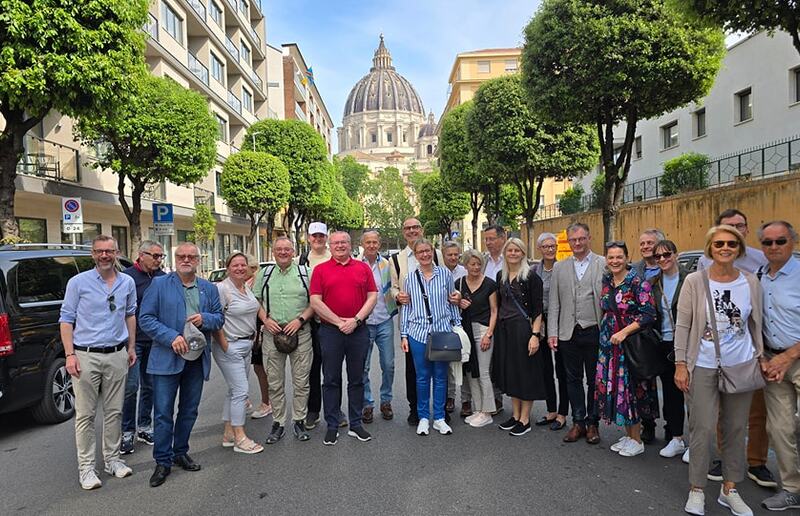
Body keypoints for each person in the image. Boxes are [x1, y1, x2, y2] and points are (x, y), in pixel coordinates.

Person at [674, 225, 764, 516]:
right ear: (710, 248)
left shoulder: (750, 282)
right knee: (701, 427)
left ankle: (730, 489)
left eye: (731, 244)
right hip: (702, 364)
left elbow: (755, 324)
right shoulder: (695, 281)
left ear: (739, 248)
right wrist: (680, 364)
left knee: (736, 429)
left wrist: (760, 356)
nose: (725, 248)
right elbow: (684, 324)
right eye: (719, 243)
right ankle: (697, 489)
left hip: (740, 365)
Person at [698, 209, 774, 489]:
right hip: (717, 351)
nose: (733, 233)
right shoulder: (705, 262)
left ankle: (757, 462)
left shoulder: (761, 258)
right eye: (727, 228)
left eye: (739, 226)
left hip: (754, 347)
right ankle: (725, 458)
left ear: (746, 228)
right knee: (722, 412)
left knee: (756, 412)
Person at [139, 242, 224, 488]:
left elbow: (219, 318)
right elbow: (146, 318)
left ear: (198, 260)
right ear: (175, 259)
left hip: (196, 360)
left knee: (189, 410)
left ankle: (180, 452)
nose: (186, 259)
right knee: (164, 413)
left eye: (191, 256)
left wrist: (205, 318)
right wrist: (171, 337)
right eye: (181, 256)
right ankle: (162, 461)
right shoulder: (159, 284)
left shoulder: (208, 288)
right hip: (167, 357)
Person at [59, 235, 137, 490]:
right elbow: (66, 320)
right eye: (99, 251)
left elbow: (130, 315)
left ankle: (112, 460)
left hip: (117, 354)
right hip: (85, 355)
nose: (105, 256)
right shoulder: (77, 282)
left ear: (116, 252)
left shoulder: (127, 282)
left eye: (109, 251)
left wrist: (131, 347)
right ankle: (86, 469)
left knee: (115, 411)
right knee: (85, 415)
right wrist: (70, 355)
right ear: (92, 254)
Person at [309, 231, 378, 445]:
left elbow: (372, 296)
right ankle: (332, 424)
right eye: (336, 243)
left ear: (351, 245)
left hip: (358, 330)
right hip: (331, 331)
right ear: (330, 245)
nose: (340, 246)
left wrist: (356, 320)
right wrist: (340, 322)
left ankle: (356, 424)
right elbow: (315, 301)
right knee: (331, 379)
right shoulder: (320, 270)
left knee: (357, 378)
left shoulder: (362, 268)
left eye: (344, 242)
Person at [595, 241, 657, 457]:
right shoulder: (607, 281)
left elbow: (649, 314)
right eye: (610, 257)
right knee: (617, 388)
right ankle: (629, 434)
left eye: (619, 257)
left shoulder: (638, 283)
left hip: (629, 345)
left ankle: (637, 438)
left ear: (627, 258)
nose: (614, 261)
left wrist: (624, 332)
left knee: (630, 390)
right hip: (609, 345)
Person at [389, 217, 451, 425]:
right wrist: (398, 295)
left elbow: (446, 282)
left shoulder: (438, 255)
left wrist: (456, 297)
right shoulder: (397, 259)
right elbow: (394, 286)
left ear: (421, 229)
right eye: (408, 228)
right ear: (403, 231)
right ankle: (416, 409)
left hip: (439, 324)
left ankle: (441, 410)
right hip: (413, 322)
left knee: (441, 368)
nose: (412, 231)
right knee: (415, 369)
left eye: (416, 227)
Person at [254, 237, 315, 444]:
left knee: (301, 381)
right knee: (274, 382)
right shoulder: (264, 273)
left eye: (287, 249)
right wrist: (265, 320)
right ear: (273, 252)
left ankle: (299, 420)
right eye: (279, 249)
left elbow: (316, 302)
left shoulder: (305, 273)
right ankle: (278, 423)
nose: (283, 252)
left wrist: (300, 320)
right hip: (273, 334)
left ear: (294, 251)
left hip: (301, 332)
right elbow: (256, 301)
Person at [548, 222, 605, 445]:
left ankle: (593, 423)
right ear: (568, 242)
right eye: (573, 240)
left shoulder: (602, 263)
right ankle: (578, 421)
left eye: (581, 239)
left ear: (589, 238)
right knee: (572, 379)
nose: (577, 243)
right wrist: (552, 332)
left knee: (594, 380)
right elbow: (554, 303)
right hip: (568, 332)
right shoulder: (560, 268)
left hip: (594, 330)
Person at [757, 221, 800, 512]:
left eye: (780, 241)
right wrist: (764, 358)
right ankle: (792, 489)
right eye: (768, 242)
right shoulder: (760, 276)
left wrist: (789, 357)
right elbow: (755, 323)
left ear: (792, 242)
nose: (774, 247)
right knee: (780, 429)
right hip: (772, 362)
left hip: (794, 358)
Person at [400, 238, 462, 436]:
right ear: (416, 255)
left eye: (427, 251)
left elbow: (452, 302)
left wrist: (458, 326)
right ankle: (424, 417)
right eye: (420, 252)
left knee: (441, 377)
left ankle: (440, 418)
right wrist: (403, 335)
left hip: (441, 332)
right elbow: (406, 309)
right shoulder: (410, 278)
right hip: (417, 333)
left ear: (432, 252)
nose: (425, 255)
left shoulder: (445, 275)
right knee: (422, 377)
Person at [211, 253, 264, 454]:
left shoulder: (246, 288)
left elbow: (256, 310)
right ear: (227, 268)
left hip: (245, 345)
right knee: (241, 391)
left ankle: (228, 433)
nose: (240, 268)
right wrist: (225, 344)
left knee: (234, 390)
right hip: (230, 346)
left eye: (243, 265)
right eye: (235, 265)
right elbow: (216, 318)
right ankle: (240, 438)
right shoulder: (222, 289)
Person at [493, 238, 545, 436]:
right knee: (512, 373)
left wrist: (535, 335)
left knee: (525, 374)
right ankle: (515, 415)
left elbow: (538, 309)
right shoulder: (501, 276)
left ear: (523, 253)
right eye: (510, 250)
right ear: (505, 253)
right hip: (505, 331)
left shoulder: (531, 277)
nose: (513, 253)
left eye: (517, 250)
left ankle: (525, 419)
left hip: (524, 330)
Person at [121, 240, 165, 455]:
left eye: (160, 256)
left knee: (150, 386)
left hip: (155, 341)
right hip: (133, 341)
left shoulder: (162, 277)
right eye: (154, 256)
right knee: (131, 387)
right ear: (141, 255)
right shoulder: (127, 276)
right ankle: (127, 431)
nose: (158, 260)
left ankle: (145, 427)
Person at [649, 240, 689, 460]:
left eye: (667, 255)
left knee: (692, 394)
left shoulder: (690, 279)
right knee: (671, 393)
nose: (663, 259)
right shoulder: (654, 282)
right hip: (663, 343)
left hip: (687, 343)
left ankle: (697, 444)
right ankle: (677, 437)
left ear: (676, 254)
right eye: (658, 257)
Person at [359, 230, 397, 423]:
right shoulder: (356, 264)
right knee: (363, 366)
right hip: (364, 323)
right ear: (363, 244)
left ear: (379, 244)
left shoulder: (387, 264)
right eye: (368, 242)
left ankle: (386, 400)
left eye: (375, 242)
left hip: (384, 320)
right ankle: (367, 403)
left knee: (388, 364)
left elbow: (396, 286)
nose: (372, 245)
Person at [456, 249, 498, 428]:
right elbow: (453, 307)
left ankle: (488, 411)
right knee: (470, 371)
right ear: (465, 265)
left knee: (483, 371)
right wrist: (458, 303)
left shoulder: (490, 284)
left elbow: (495, 311)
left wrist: (489, 334)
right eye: (472, 264)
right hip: (465, 331)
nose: (476, 267)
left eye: (479, 264)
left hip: (482, 330)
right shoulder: (459, 283)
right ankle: (478, 409)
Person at [534, 233, 568, 431]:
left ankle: (563, 413)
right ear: (540, 249)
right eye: (545, 246)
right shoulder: (534, 271)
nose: (550, 249)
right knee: (545, 368)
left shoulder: (563, 268)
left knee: (562, 370)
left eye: (552, 246)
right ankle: (551, 409)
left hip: (561, 322)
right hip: (541, 323)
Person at [303, 222, 333, 430]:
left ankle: (335, 411)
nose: (318, 239)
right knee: (312, 369)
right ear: (308, 237)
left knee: (332, 371)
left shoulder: (334, 257)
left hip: (332, 321)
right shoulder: (301, 260)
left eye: (321, 235)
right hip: (311, 323)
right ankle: (312, 411)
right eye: (314, 236)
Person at [480, 224, 507, 417]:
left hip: (508, 318)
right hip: (486, 318)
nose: (488, 243)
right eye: (486, 239)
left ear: (503, 237)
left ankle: (503, 396)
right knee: (487, 361)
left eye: (492, 239)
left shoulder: (512, 258)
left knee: (503, 359)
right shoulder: (483, 262)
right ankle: (492, 399)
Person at [245, 256, 272, 420]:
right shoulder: (239, 283)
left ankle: (266, 402)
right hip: (243, 331)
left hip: (259, 329)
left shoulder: (259, 283)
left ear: (253, 268)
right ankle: (244, 399)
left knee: (261, 368)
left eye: (243, 266)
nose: (239, 270)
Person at [442, 240, 466, 412]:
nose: (453, 257)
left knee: (464, 361)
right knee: (447, 363)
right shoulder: (438, 273)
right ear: (443, 256)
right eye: (449, 254)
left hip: (462, 322)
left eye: (455, 254)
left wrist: (461, 300)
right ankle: (450, 397)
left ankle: (466, 399)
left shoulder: (465, 272)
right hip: (444, 323)